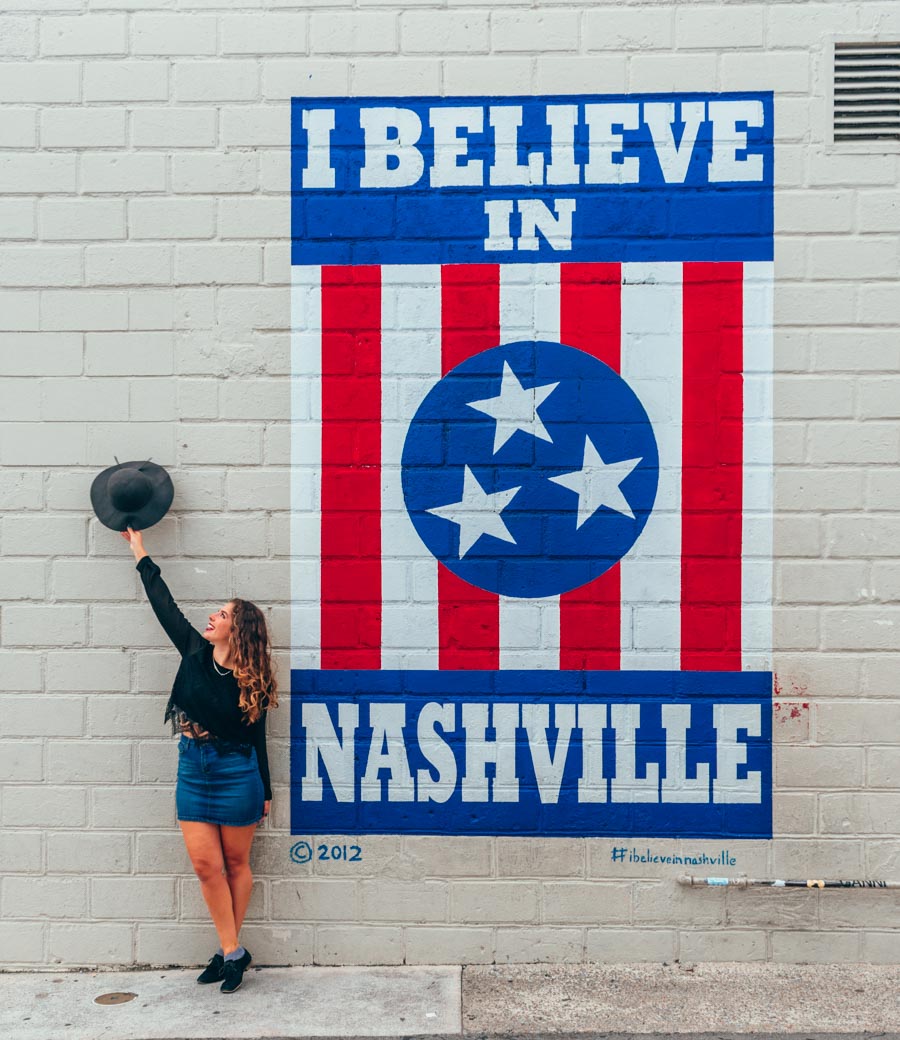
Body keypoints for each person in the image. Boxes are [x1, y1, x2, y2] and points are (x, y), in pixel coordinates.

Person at [122, 526, 277, 994]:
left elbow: (259, 737)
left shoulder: (255, 678)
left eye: (224, 613)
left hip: (237, 773)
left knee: (236, 863)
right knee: (205, 866)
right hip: (193, 769)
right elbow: (163, 604)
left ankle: (228, 951)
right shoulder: (193, 651)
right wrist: (140, 552)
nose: (213, 615)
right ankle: (234, 952)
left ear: (239, 628)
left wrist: (266, 790)